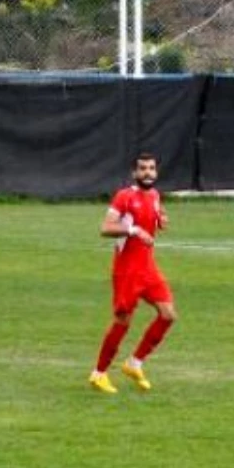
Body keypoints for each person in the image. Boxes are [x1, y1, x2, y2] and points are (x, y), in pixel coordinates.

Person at [89, 153, 175, 394]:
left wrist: (162, 219)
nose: (147, 172)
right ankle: (99, 374)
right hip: (127, 270)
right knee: (123, 322)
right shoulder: (124, 197)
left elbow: (156, 214)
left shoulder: (155, 195)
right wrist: (134, 230)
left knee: (168, 315)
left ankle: (134, 363)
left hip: (148, 268)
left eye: (151, 168)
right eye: (142, 169)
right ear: (134, 173)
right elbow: (105, 228)